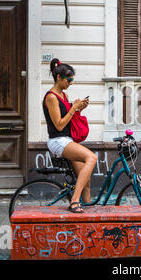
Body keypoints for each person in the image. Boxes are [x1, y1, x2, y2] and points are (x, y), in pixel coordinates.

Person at [43, 58, 97, 213]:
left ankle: (87, 212)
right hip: (58, 141)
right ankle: (74, 202)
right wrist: (73, 108)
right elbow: (59, 125)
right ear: (59, 78)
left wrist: (79, 109)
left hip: (67, 139)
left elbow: (68, 118)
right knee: (91, 158)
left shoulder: (63, 96)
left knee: (85, 179)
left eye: (72, 80)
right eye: (69, 79)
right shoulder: (51, 97)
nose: (71, 83)